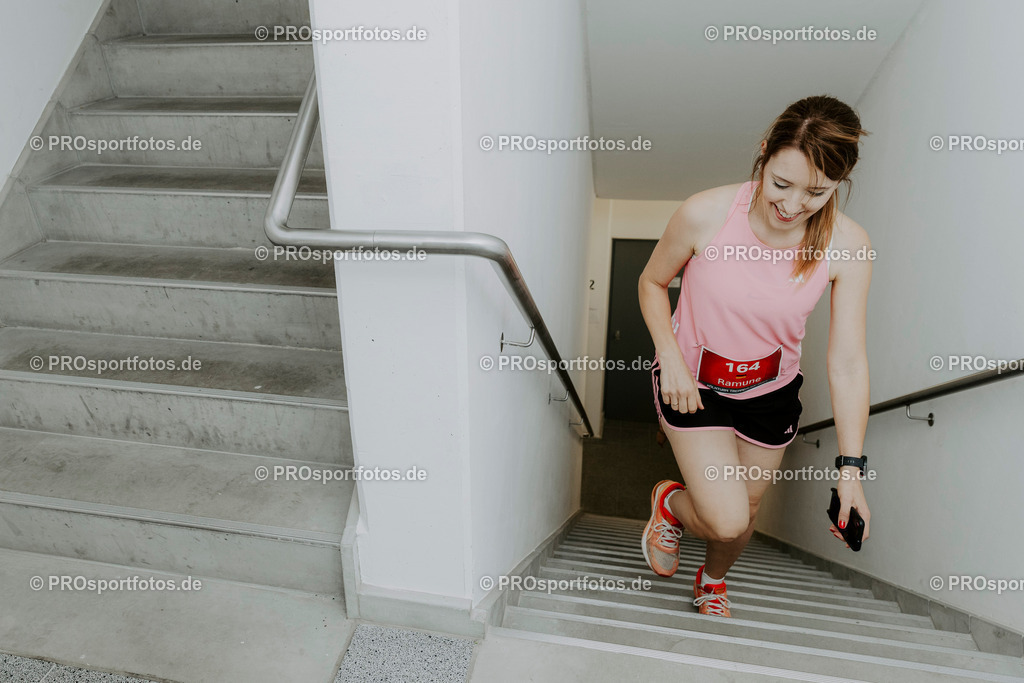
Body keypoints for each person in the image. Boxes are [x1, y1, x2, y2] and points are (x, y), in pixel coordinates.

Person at [637, 95, 872, 617]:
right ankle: (669, 503)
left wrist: (851, 469)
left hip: (771, 393)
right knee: (723, 519)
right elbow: (652, 283)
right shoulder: (705, 213)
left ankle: (713, 579)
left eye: (816, 192)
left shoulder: (847, 245)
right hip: (692, 383)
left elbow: (849, 361)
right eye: (781, 184)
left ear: (839, 183)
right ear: (763, 156)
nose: (792, 205)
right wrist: (668, 356)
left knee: (745, 511)